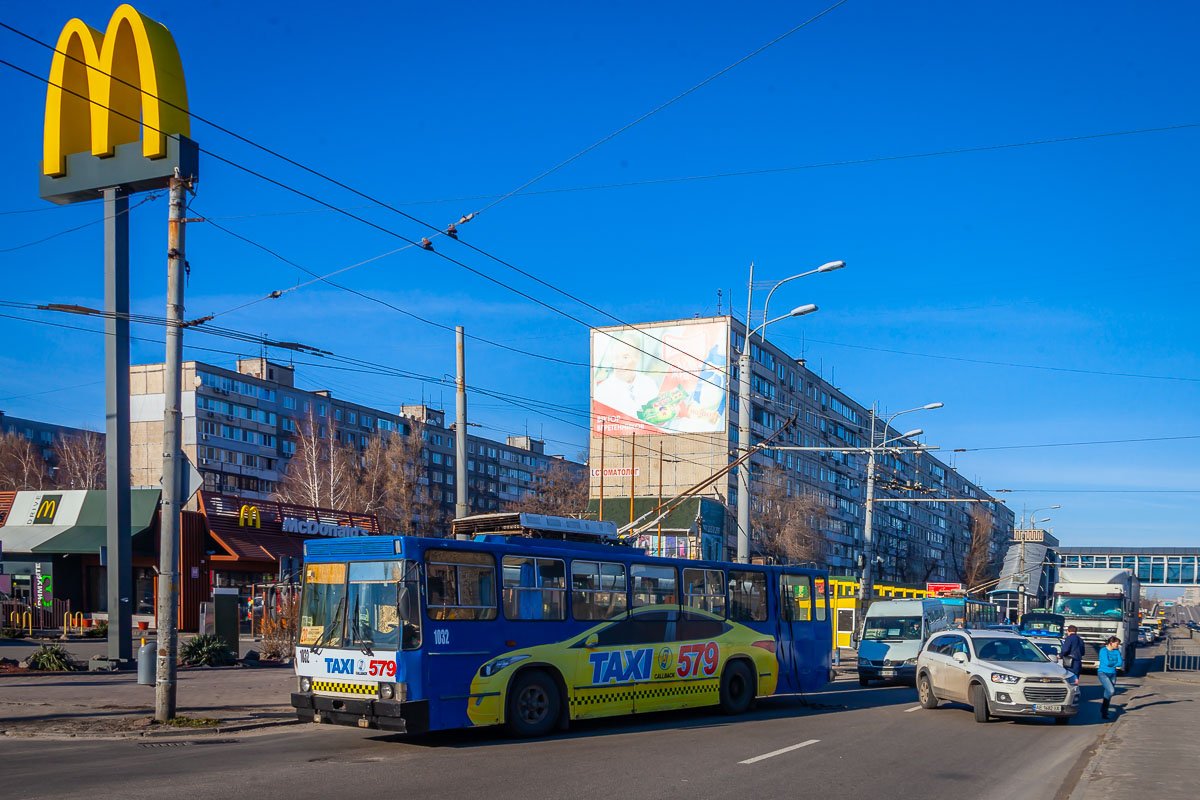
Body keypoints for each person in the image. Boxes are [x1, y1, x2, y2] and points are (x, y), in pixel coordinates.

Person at [1098, 636, 1124, 719]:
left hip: (1113, 674)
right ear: (1111, 643)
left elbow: (1120, 663)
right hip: (1103, 673)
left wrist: (1113, 663)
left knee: (1107, 693)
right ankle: (1103, 709)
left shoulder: (1117, 651)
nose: (1118, 646)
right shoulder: (1103, 651)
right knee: (1111, 691)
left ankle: (1104, 712)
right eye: (1117, 644)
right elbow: (1107, 663)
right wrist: (1114, 662)